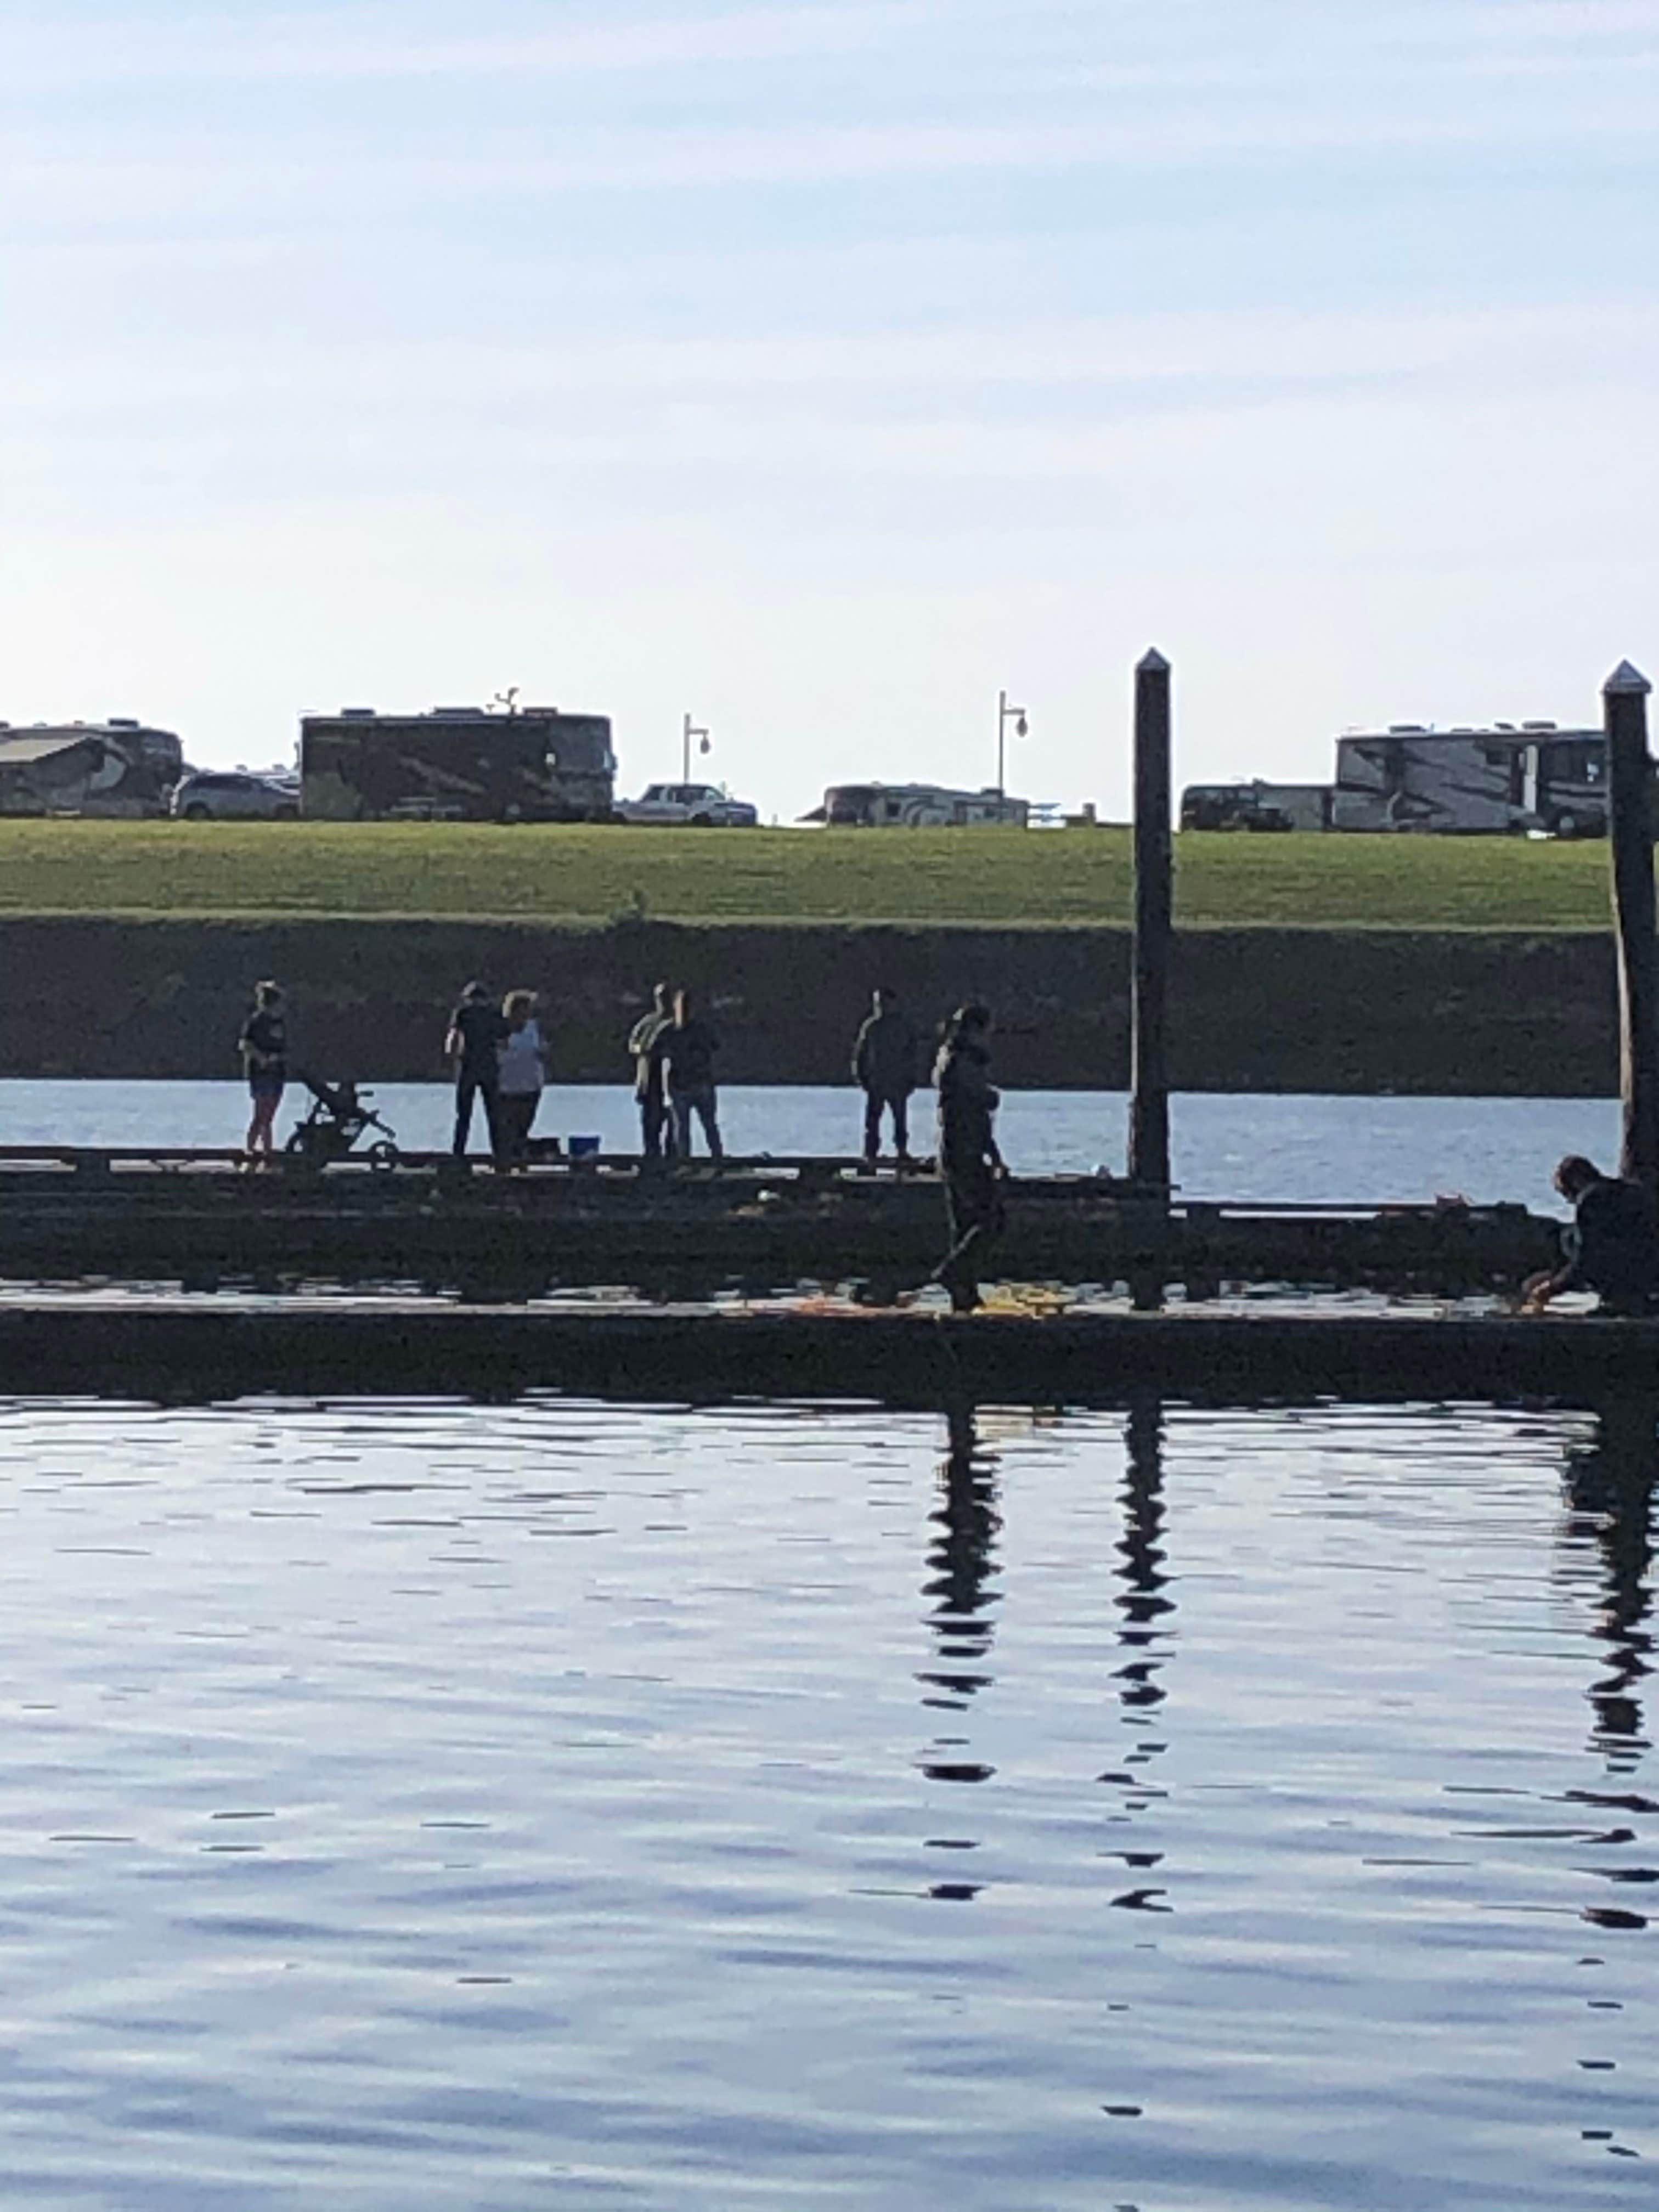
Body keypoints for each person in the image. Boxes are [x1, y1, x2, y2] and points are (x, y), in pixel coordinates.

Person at [930, 1001, 1005, 1313]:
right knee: (992, 1220)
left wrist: (995, 1155)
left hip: (962, 1148)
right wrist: (991, 1096)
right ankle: (954, 1272)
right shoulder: (960, 1061)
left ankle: (964, 1294)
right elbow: (973, 1102)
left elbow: (978, 1115)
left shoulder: (955, 1057)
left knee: (965, 1223)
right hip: (962, 1150)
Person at [1523, 1155, 1659, 1316]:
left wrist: (1553, 1287)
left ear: (1575, 1183)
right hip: (1651, 1272)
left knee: (1569, 1241)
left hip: (1627, 1276)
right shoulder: (1632, 1191)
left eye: (1567, 1195)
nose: (1571, 1202)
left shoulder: (1592, 1200)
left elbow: (1587, 1258)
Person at [851, 985, 919, 1167]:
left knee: (900, 1120)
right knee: (872, 1120)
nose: (880, 1006)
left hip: (898, 1081)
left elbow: (912, 1054)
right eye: (877, 1003)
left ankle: (902, 1150)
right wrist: (861, 1077)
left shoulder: (903, 1026)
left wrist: (912, 1077)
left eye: (884, 1002)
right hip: (877, 1082)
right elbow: (860, 1054)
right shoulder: (871, 1026)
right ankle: (870, 1152)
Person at [657, 988, 723, 1160]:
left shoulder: (702, 1030)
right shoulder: (668, 1031)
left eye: (687, 1008)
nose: (684, 1011)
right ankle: (683, 1161)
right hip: (679, 1086)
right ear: (675, 1007)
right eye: (681, 1007)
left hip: (701, 1084)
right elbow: (655, 1051)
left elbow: (715, 1046)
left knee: (710, 1125)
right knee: (681, 1128)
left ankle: (718, 1159)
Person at [445, 980, 509, 1161]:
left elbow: (453, 1037)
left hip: (468, 1066)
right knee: (494, 1114)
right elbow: (504, 1042)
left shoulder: (463, 1013)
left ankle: (458, 1154)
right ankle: (500, 1156)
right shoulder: (494, 1014)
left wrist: (452, 1052)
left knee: (464, 1114)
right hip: (489, 1067)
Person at [495, 990, 549, 1170]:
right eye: (525, 1008)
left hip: (531, 1084)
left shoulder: (534, 1027)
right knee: (506, 1128)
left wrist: (544, 1051)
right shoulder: (501, 1027)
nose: (528, 1013)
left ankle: (520, 1160)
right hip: (505, 1086)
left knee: (523, 1126)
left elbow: (542, 1048)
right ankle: (507, 1161)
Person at [238, 979, 287, 1163]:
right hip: (261, 1073)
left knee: (270, 1115)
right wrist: (262, 1058)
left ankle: (267, 1152)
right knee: (261, 1115)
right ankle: (251, 1151)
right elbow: (245, 1044)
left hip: (277, 1073)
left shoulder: (280, 1023)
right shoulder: (257, 1021)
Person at [628, 981, 676, 1160]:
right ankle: (651, 1157)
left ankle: (672, 1159)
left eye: (666, 997)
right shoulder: (647, 1022)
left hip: (672, 1082)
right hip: (648, 1081)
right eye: (660, 998)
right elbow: (632, 1043)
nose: (664, 1001)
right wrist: (642, 1049)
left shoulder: (678, 1023)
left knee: (674, 1124)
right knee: (650, 1124)